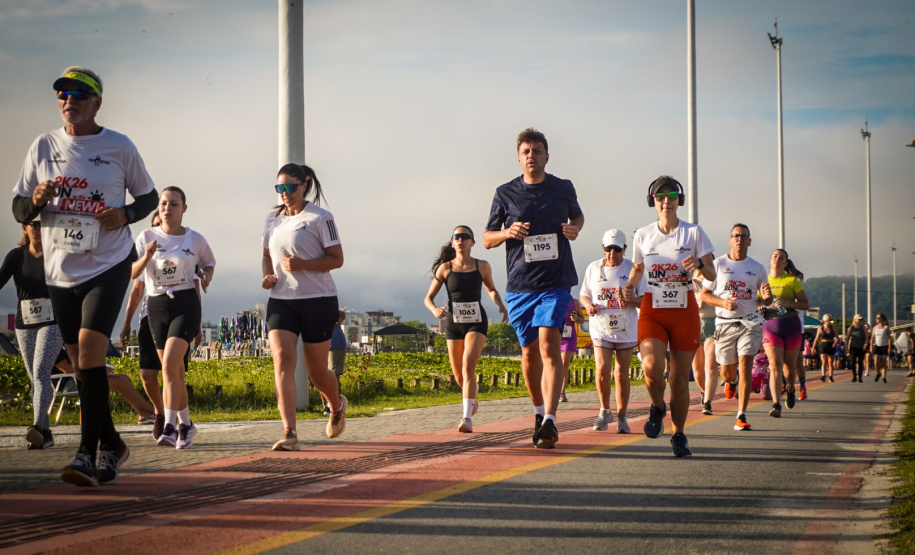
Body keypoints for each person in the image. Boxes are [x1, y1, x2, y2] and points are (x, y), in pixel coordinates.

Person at [12, 67, 158, 486]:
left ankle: (85, 455)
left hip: (108, 264)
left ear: (97, 102)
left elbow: (148, 196)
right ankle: (113, 443)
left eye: (79, 94)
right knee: (82, 367)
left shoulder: (119, 146)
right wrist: (36, 201)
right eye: (63, 94)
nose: (69, 101)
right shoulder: (43, 146)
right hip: (60, 272)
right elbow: (19, 208)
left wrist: (126, 214)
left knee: (92, 358)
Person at [483, 128, 584, 449]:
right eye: (526, 151)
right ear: (518, 157)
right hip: (520, 286)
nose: (531, 156)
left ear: (546, 156)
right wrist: (507, 232)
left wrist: (574, 228)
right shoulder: (504, 193)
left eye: (537, 151)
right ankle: (539, 414)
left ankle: (552, 419)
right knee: (528, 354)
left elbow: (578, 217)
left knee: (549, 345)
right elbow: (486, 238)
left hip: (555, 282)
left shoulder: (562, 187)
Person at [622, 175, 715, 457]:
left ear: (679, 200)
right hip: (654, 307)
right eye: (660, 197)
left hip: (684, 308)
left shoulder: (694, 233)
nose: (666, 202)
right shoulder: (643, 234)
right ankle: (658, 405)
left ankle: (678, 434)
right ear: (653, 201)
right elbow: (638, 267)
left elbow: (712, 274)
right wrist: (629, 284)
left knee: (678, 378)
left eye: (672, 196)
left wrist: (698, 263)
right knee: (651, 366)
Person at [262, 163, 347, 451]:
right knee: (282, 360)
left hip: (317, 300)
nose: (284, 193)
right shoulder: (272, 218)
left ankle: (336, 405)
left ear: (304, 185)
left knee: (317, 372)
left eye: (290, 187)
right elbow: (266, 254)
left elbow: (336, 259)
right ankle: (290, 432)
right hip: (281, 300)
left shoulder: (321, 218)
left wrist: (303, 265)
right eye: (279, 188)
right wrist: (267, 275)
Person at [132, 187, 214, 449]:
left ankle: (169, 426)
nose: (167, 208)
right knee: (175, 371)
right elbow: (133, 272)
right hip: (156, 307)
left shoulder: (195, 239)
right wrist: (147, 255)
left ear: (184, 209)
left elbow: (209, 263)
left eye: (174, 204)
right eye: (164, 203)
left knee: (168, 366)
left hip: (185, 304)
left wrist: (207, 275)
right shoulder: (146, 236)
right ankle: (186, 425)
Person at [425, 225, 508, 433]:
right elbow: (428, 298)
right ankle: (472, 395)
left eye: (464, 236)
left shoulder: (482, 266)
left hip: (476, 322)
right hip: (453, 324)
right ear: (453, 243)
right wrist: (435, 310)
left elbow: (491, 289)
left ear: (473, 242)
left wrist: (501, 305)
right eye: (456, 237)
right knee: (459, 376)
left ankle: (466, 418)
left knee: (468, 366)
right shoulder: (445, 268)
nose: (460, 240)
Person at [699, 224, 772, 431]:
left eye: (743, 236)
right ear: (730, 240)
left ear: (749, 241)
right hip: (725, 323)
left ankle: (741, 415)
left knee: (746, 365)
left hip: (750, 322)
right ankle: (732, 381)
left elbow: (766, 300)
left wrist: (767, 298)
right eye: (736, 235)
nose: (739, 239)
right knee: (727, 374)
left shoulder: (758, 268)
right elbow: (704, 295)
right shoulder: (718, 264)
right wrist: (723, 303)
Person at [0, 219, 64, 449]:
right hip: (24, 324)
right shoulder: (16, 256)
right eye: (34, 224)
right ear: (24, 227)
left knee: (40, 372)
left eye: (43, 224)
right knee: (35, 378)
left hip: (53, 321)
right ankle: (44, 434)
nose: (39, 228)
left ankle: (38, 426)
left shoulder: (57, 253)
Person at [579, 229, 645, 434]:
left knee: (621, 373)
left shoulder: (633, 269)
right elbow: (584, 294)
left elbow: (644, 300)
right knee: (602, 368)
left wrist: (629, 299)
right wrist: (588, 305)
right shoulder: (593, 268)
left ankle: (622, 416)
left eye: (617, 249)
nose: (612, 253)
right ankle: (604, 410)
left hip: (626, 328)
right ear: (603, 248)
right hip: (601, 327)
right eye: (609, 248)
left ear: (624, 249)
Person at [761, 249, 809, 417]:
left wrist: (789, 303)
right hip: (770, 326)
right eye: (775, 256)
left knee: (789, 368)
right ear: (770, 260)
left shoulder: (791, 280)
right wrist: (760, 306)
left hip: (791, 326)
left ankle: (790, 388)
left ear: (786, 263)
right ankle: (776, 404)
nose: (777, 259)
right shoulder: (763, 280)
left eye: (781, 257)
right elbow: (755, 302)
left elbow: (805, 304)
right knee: (774, 365)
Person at [693, 273, 718, 416]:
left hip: (712, 325)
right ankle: (704, 391)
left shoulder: (717, 280)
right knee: (697, 371)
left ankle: (707, 402)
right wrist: (695, 305)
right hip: (695, 326)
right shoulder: (691, 282)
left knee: (711, 366)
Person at [559, 299, 585, 402]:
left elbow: (582, 319)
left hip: (568, 337)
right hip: (554, 335)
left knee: (564, 363)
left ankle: (561, 393)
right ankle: (551, 390)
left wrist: (576, 318)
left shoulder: (574, 302)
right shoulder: (552, 299)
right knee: (552, 364)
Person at [325, 310, 348, 415]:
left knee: (334, 375)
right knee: (328, 375)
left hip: (334, 346)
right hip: (330, 344)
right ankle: (330, 403)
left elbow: (341, 316)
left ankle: (332, 403)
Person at [869, 313, 893, 383]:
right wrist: (871, 346)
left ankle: (884, 377)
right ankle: (878, 373)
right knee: (876, 362)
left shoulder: (886, 327)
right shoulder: (875, 327)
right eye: (876, 318)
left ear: (881, 319)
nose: (876, 319)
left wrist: (889, 347)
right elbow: (872, 337)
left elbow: (889, 338)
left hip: (884, 346)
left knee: (884, 361)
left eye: (878, 318)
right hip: (877, 346)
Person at [813, 314, 838, 382]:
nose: (829, 322)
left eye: (830, 320)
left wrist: (835, 342)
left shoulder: (833, 328)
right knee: (824, 362)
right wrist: (813, 347)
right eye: (828, 320)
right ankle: (823, 375)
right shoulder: (820, 328)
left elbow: (837, 337)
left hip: (831, 344)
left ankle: (831, 376)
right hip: (823, 345)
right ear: (825, 321)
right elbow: (817, 338)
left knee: (830, 362)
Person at [846, 314, 869, 382]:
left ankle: (860, 377)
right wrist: (847, 346)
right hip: (853, 347)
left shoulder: (863, 327)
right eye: (858, 319)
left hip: (861, 347)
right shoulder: (851, 328)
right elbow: (847, 338)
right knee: (852, 362)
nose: (860, 321)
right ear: (855, 320)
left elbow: (866, 337)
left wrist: (865, 344)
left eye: (860, 320)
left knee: (860, 362)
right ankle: (854, 376)